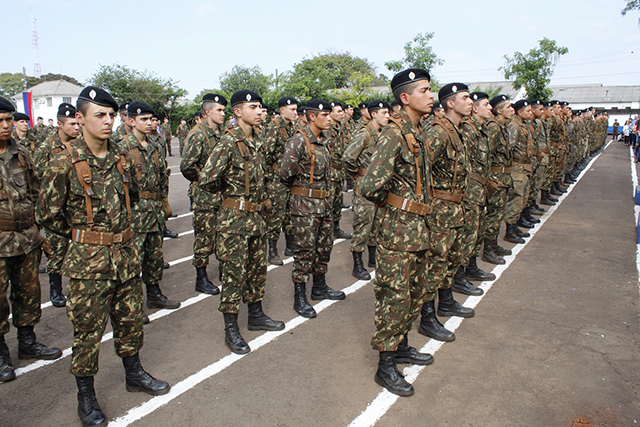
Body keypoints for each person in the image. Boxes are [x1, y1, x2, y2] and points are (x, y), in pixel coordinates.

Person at [37, 87, 171, 426]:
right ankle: (86, 396)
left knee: (129, 322)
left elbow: (136, 196)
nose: (108, 121)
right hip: (88, 263)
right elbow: (48, 216)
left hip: (124, 256)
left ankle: (134, 373)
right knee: (88, 332)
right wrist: (79, 246)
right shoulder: (63, 162)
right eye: (100, 115)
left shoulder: (122, 157)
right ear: (80, 118)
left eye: (111, 115)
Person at [360, 69, 435, 397]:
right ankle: (385, 364)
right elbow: (370, 185)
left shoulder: (417, 132)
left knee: (413, 293)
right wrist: (398, 207)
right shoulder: (393, 134)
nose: (431, 96)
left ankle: (401, 346)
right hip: (398, 232)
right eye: (424, 90)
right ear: (405, 98)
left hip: (419, 229)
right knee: (394, 296)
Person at [200, 90, 284, 355]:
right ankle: (231, 328)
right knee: (234, 276)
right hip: (234, 222)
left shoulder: (258, 139)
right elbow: (207, 178)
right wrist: (231, 197)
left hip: (257, 219)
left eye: (261, 107)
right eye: (253, 107)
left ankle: (256, 314)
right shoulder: (228, 142)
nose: (260, 111)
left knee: (257, 271)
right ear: (238, 112)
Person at [0, 96, 63, 384]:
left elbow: (37, 193)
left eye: (8, 120)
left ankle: (27, 342)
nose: (5, 126)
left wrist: (40, 230)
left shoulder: (22, 153)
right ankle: (1, 354)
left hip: (26, 237)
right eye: (0, 121)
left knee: (28, 293)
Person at [280, 99, 346, 319]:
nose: (329, 118)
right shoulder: (298, 141)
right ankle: (300, 297)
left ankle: (319, 287)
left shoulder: (324, 140)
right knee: (305, 251)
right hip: (305, 207)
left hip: (324, 204)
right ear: (311, 116)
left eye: (329, 114)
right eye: (324, 115)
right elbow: (285, 175)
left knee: (324, 247)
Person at [420, 82, 476, 343]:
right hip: (441, 209)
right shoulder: (439, 132)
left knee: (450, 259)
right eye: (465, 98)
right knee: (435, 263)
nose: (471, 101)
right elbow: (421, 169)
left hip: (455, 208)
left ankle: (446, 301)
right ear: (450, 103)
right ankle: (427, 318)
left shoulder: (457, 130)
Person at [123, 101, 180, 312]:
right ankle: (133, 306)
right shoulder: (122, 147)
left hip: (155, 210)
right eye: (143, 119)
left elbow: (162, 175)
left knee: (154, 257)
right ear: (131, 121)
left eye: (150, 119)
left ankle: (154, 295)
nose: (149, 123)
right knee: (133, 260)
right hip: (136, 212)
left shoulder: (155, 145)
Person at [33, 103, 81, 308]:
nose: (77, 127)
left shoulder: (79, 145)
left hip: (75, 207)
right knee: (56, 250)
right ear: (60, 125)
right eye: (72, 124)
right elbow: (35, 178)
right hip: (56, 208)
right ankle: (56, 291)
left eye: (78, 123)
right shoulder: (47, 147)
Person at [181, 93, 227, 295]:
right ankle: (201, 278)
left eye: (224, 110)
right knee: (204, 239)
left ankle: (223, 271)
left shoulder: (221, 133)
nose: (223, 114)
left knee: (222, 235)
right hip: (205, 197)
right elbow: (187, 166)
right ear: (207, 112)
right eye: (219, 110)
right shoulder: (198, 134)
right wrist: (203, 179)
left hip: (222, 195)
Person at [343, 100, 390, 281]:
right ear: (373, 114)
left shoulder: (381, 133)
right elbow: (348, 157)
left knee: (377, 223)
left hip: (378, 185)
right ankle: (358, 264)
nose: (387, 116)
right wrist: (356, 175)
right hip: (364, 185)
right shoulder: (364, 134)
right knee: (363, 225)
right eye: (384, 112)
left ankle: (373, 258)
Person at [264, 97, 298, 265]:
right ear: (282, 110)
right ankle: (272, 251)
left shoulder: (292, 127)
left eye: (296, 109)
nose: (295, 112)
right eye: (292, 109)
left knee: (289, 214)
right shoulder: (273, 128)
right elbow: (266, 157)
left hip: (290, 179)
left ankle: (290, 246)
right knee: (276, 215)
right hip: (277, 181)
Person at [328, 102, 352, 239]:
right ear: (331, 114)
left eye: (342, 111)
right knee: (329, 204)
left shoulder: (340, 129)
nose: (342, 113)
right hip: (330, 173)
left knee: (337, 202)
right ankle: (327, 231)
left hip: (339, 172)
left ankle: (336, 229)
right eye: (338, 111)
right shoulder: (326, 130)